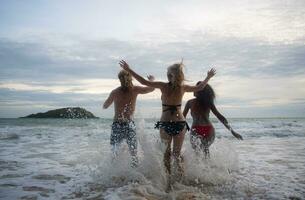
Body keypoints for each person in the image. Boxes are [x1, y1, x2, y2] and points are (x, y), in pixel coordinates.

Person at [119, 60, 216, 182]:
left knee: (169, 154)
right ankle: (177, 180)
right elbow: (200, 87)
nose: (167, 75)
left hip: (168, 124)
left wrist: (129, 70)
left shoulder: (166, 86)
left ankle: (172, 181)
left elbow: (144, 82)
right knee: (174, 154)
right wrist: (208, 77)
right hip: (178, 123)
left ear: (173, 75)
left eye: (169, 73)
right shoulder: (179, 87)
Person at [103, 69, 155, 167]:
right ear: (131, 78)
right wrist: (151, 80)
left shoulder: (115, 92)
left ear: (120, 80)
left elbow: (105, 106)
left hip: (117, 124)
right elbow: (151, 89)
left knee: (114, 152)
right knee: (133, 153)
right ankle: (135, 175)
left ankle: (114, 175)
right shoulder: (135, 89)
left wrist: (110, 102)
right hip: (129, 124)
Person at [183, 83, 243, 158]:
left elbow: (219, 116)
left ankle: (206, 169)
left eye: (196, 87)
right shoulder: (193, 102)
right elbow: (182, 118)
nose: (194, 89)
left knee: (199, 152)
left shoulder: (200, 102)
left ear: (199, 90)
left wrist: (233, 132)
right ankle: (206, 168)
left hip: (199, 129)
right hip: (205, 129)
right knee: (203, 151)